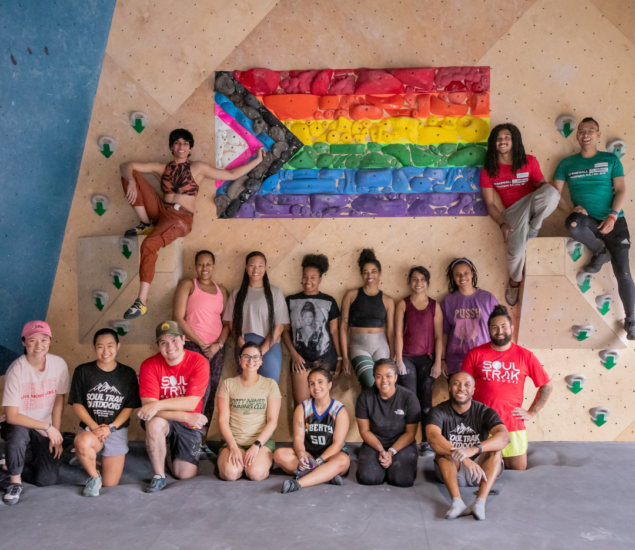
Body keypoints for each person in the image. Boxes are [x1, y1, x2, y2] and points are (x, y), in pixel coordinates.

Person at [119, 129, 264, 319]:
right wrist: (130, 180)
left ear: (190, 148)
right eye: (177, 143)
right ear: (171, 147)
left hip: (180, 219)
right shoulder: (162, 168)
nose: (181, 147)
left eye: (185, 144)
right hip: (161, 212)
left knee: (148, 245)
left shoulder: (198, 168)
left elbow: (232, 174)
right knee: (130, 175)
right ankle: (145, 223)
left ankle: (141, 302)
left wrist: (258, 160)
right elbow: (126, 165)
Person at [552, 117, 635, 339]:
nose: (585, 134)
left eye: (591, 130)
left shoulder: (610, 160)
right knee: (572, 223)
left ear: (598, 135)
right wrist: (572, 207)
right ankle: (600, 252)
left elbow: (621, 190)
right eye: (581, 131)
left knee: (623, 273)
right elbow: (554, 194)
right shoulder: (566, 164)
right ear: (576, 135)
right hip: (586, 221)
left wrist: (612, 216)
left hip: (614, 223)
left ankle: (632, 321)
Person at [462, 305, 552, 471]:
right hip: (481, 423)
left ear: (511, 328)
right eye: (495, 327)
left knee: (518, 472)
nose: (499, 331)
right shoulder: (475, 354)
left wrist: (532, 412)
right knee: (479, 473)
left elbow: (546, 385)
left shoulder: (525, 356)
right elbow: (462, 387)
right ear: (489, 330)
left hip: (513, 425)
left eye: (504, 327)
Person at [480, 123, 560, 306]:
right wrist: (502, 224)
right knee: (515, 252)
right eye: (499, 138)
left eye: (507, 137)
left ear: (514, 140)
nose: (503, 141)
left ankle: (535, 226)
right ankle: (514, 280)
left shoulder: (530, 161)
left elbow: (543, 188)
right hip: (513, 211)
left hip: (531, 202)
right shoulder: (488, 170)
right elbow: (490, 204)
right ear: (494, 143)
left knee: (551, 192)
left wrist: (569, 207)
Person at [1, 321, 70, 506]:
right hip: (18, 423)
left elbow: (58, 400)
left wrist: (55, 432)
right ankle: (14, 483)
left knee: (47, 480)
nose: (39, 345)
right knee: (18, 433)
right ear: (24, 342)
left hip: (44, 427)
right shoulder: (16, 371)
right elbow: (12, 416)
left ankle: (8, 463)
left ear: (49, 341)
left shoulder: (59, 365)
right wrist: (48, 427)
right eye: (32, 340)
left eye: (44, 339)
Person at [427, 372, 510, 521]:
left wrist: (474, 449)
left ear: (473, 390)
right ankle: (457, 502)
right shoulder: (438, 411)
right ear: (449, 387)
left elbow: (504, 437)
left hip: (480, 472)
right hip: (452, 471)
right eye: (456, 383)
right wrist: (464, 457)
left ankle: (480, 502)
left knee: (496, 450)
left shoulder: (485, 411)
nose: (461, 388)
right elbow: (433, 438)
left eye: (467, 385)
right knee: (442, 452)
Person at [137, 321, 209, 492]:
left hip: (187, 423)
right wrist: (185, 415)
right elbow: (148, 408)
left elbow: (191, 402)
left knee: (184, 474)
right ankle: (159, 476)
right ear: (158, 345)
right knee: (154, 425)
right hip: (169, 419)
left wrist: (158, 405)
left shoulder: (199, 361)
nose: (170, 346)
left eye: (174, 340)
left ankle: (168, 449)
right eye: (163, 342)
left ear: (184, 340)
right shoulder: (149, 365)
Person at [68, 328, 141, 497]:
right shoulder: (83, 371)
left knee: (109, 484)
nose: (106, 351)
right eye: (100, 346)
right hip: (91, 430)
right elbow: (77, 404)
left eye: (110, 346)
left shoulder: (127, 373)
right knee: (83, 442)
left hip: (116, 430)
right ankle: (93, 474)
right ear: (94, 348)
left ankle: (86, 459)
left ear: (118, 346)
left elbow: (128, 407)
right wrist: (95, 427)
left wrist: (111, 428)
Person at [273, 363, 350, 494]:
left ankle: (298, 483)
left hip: (331, 457)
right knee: (278, 454)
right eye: (312, 383)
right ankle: (325, 476)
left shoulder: (339, 410)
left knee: (344, 460)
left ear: (329, 384)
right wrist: (301, 454)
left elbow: (337, 445)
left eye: (320, 382)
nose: (316, 387)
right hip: (309, 456)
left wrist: (319, 461)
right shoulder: (302, 408)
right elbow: (298, 439)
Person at [173, 249, 229, 426]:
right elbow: (178, 318)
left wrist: (217, 345)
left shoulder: (223, 291)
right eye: (200, 264)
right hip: (192, 346)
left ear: (213, 266)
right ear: (195, 266)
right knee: (193, 392)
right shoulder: (188, 285)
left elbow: (227, 324)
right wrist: (200, 343)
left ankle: (202, 439)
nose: (204, 268)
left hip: (216, 350)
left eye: (208, 264)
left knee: (211, 392)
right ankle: (188, 435)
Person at [394, 266, 444, 455]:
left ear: (428, 283)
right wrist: (398, 359)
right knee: (409, 400)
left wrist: (438, 362)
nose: (418, 283)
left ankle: (426, 442)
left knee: (425, 402)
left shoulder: (434, 306)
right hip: (407, 358)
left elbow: (439, 336)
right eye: (415, 279)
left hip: (428, 359)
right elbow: (397, 333)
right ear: (409, 282)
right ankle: (406, 441)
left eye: (422, 280)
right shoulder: (403, 304)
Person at [217, 342, 282, 482]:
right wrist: (233, 446)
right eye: (246, 357)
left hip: (261, 442)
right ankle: (238, 461)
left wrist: (256, 445)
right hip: (234, 441)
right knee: (230, 474)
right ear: (240, 360)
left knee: (255, 474)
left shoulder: (270, 384)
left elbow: (273, 421)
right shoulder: (228, 384)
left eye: (255, 357)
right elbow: (223, 420)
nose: (251, 361)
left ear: (260, 361)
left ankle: (260, 462)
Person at [283, 254, 342, 405]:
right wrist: (293, 354)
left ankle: (318, 430)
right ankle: (302, 429)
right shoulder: (290, 301)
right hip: (300, 360)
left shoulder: (329, 301)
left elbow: (335, 332)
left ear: (320, 279)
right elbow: (285, 331)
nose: (308, 281)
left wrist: (340, 358)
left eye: (313, 277)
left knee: (321, 405)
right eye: (305, 276)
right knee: (301, 406)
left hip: (326, 358)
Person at [224, 251, 289, 383]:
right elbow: (231, 322)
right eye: (252, 265)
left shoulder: (274, 292)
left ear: (265, 268)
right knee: (246, 389)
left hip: (269, 347)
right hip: (243, 347)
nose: (256, 269)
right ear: (246, 267)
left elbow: (279, 326)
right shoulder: (236, 293)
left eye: (260, 266)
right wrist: (244, 348)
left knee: (268, 389)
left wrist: (261, 352)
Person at [355, 359, 420, 487]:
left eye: (389, 376)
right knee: (368, 479)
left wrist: (390, 452)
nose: (384, 381)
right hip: (374, 442)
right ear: (374, 377)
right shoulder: (364, 398)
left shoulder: (409, 398)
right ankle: (375, 460)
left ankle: (393, 463)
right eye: (379, 376)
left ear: (396, 377)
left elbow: (410, 434)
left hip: (401, 443)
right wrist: (380, 450)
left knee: (401, 480)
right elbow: (364, 431)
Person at [340, 249, 395, 389]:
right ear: (361, 274)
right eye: (365, 272)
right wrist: (344, 357)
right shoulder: (351, 295)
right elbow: (342, 327)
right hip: (358, 347)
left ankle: (378, 411)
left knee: (384, 387)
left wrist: (394, 356)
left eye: (373, 271)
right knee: (370, 384)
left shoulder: (388, 300)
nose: (369, 275)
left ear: (380, 273)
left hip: (381, 346)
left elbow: (391, 331)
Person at [440, 258, 498, 376]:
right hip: (456, 363)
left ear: (472, 274)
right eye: (458, 274)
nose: (462, 278)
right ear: (453, 277)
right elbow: (443, 334)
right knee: (459, 394)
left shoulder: (488, 298)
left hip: (486, 361)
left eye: (466, 273)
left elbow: (499, 328)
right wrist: (442, 360)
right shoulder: (448, 301)